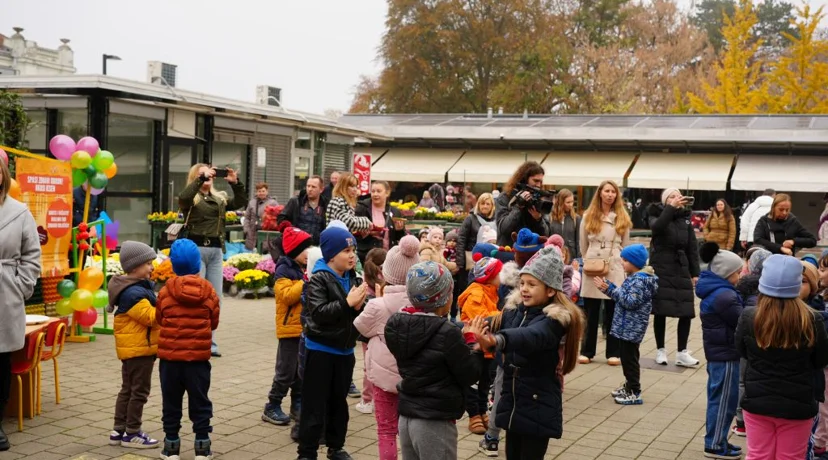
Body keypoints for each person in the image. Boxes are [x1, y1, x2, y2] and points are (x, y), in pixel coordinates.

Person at [471, 246, 585, 460]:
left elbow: (529, 336)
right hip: (514, 405)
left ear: (550, 290)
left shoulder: (553, 321)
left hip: (537, 406)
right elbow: (491, 322)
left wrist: (497, 340)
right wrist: (465, 328)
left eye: (532, 284)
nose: (524, 289)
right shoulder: (515, 311)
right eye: (522, 283)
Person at [384, 261, 482, 460]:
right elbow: (470, 373)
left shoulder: (397, 324)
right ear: (444, 298)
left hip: (407, 416)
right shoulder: (447, 332)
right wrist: (472, 342)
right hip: (434, 420)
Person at [736, 254, 828, 460]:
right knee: (791, 457)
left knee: (758, 455)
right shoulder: (813, 319)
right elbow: (821, 360)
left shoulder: (749, 316)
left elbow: (741, 351)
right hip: (798, 404)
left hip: (757, 401)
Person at [298, 226, 366, 460]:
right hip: (321, 351)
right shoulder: (319, 279)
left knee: (339, 403)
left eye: (353, 250)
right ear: (331, 254)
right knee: (314, 405)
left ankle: (336, 447)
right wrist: (348, 304)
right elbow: (318, 313)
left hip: (345, 351)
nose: (352, 255)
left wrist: (360, 308)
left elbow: (355, 315)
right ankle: (306, 451)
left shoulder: (353, 278)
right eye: (346, 250)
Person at [353, 235, 420, 460]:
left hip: (382, 379)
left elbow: (360, 327)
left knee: (386, 430)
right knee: (409, 428)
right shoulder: (421, 306)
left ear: (386, 273)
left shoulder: (377, 305)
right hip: (413, 377)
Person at [156, 239, 221, 460]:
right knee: (201, 401)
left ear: (173, 265)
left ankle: (171, 446)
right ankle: (202, 447)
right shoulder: (209, 290)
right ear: (197, 264)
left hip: (170, 360)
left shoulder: (165, 291)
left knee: (171, 402)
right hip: (198, 360)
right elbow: (214, 322)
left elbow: (159, 319)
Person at [179, 163, 246, 358]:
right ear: (195, 177)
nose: (208, 176)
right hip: (196, 249)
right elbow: (183, 198)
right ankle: (191, 340)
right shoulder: (192, 198)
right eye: (202, 174)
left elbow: (240, 201)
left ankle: (209, 342)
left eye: (209, 173)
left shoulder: (219, 198)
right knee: (195, 296)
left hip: (216, 251)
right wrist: (200, 178)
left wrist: (235, 183)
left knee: (215, 298)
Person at [0, 158, 41, 452]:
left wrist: (20, 286)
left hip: (4, 294)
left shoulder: (18, 212)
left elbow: (31, 256)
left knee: (0, 363)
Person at [107, 241, 161, 449]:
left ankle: (118, 430)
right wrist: (166, 305)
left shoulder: (132, 288)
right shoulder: (134, 293)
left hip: (133, 350)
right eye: (148, 263)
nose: (152, 268)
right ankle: (132, 432)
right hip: (139, 350)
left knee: (127, 390)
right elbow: (151, 318)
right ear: (134, 267)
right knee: (139, 391)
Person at [696, 242, 745, 460]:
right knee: (724, 401)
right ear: (727, 273)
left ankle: (719, 439)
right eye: (738, 273)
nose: (740, 276)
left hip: (720, 354)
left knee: (721, 398)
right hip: (725, 354)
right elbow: (742, 320)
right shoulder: (725, 296)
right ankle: (715, 444)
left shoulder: (718, 291)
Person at [593, 244, 657, 406]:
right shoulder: (635, 278)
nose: (622, 262)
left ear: (635, 263)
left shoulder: (639, 281)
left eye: (625, 260)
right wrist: (610, 288)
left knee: (630, 360)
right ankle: (629, 386)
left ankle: (634, 391)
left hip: (631, 328)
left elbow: (629, 301)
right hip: (626, 327)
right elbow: (625, 296)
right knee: (627, 358)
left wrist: (610, 290)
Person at [262, 227, 313, 426]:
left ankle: (297, 404)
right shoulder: (284, 269)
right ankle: (272, 405)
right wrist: (305, 281)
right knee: (285, 371)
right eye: (304, 249)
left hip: (304, 328)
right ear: (293, 251)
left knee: (301, 371)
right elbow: (287, 296)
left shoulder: (303, 268)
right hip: (289, 329)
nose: (309, 252)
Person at [578, 180, 631, 366]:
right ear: (600, 193)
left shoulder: (622, 217)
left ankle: (613, 352)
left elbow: (626, 243)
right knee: (591, 311)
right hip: (593, 262)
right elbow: (582, 244)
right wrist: (589, 260)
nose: (610, 195)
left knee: (613, 310)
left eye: (613, 192)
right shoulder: (588, 215)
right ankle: (586, 351)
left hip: (614, 262)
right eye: (607, 191)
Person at [648, 188, 701, 367]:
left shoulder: (685, 219)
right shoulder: (656, 213)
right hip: (662, 266)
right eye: (671, 196)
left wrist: (695, 273)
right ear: (665, 200)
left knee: (686, 310)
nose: (676, 199)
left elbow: (692, 247)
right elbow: (657, 228)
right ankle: (660, 350)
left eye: (678, 196)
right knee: (661, 309)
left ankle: (682, 352)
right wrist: (670, 208)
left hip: (681, 267)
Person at [459, 257, 503, 435]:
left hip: (487, 345)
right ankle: (473, 414)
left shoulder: (491, 291)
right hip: (475, 345)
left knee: (485, 380)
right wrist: (502, 316)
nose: (502, 276)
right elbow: (481, 318)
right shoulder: (476, 294)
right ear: (490, 276)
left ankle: (483, 409)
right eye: (499, 273)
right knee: (473, 382)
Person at [732, 247, 771, 436]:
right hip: (766, 343)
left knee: (742, 381)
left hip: (747, 343)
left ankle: (741, 422)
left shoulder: (743, 287)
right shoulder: (772, 290)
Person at [354, 248, 387, 415]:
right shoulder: (386, 281)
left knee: (368, 366)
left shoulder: (363, 283)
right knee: (383, 364)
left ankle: (367, 400)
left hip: (367, 332)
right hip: (383, 331)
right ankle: (380, 398)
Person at [495, 161, 551, 247]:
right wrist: (518, 206)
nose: (538, 185)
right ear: (524, 179)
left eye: (540, 181)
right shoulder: (505, 197)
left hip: (532, 253)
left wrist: (538, 219)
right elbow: (503, 229)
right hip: (509, 251)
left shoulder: (539, 200)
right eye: (535, 181)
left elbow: (546, 234)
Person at [354, 180, 406, 262]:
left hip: (389, 257)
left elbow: (400, 237)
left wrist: (399, 230)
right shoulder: (361, 208)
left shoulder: (395, 212)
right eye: (373, 191)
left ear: (387, 193)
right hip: (367, 256)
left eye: (379, 191)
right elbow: (353, 231)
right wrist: (367, 233)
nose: (375, 194)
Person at [457, 193, 497, 282]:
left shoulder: (496, 220)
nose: (485, 206)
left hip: (491, 259)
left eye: (488, 204)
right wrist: (460, 262)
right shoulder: (470, 219)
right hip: (472, 259)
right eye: (482, 204)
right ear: (478, 205)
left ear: (492, 206)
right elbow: (461, 239)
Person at [279, 175, 328, 246]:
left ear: (321, 189)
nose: (310, 189)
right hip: (297, 245)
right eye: (308, 186)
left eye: (313, 187)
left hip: (318, 247)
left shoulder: (326, 204)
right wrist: (290, 230)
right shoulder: (295, 201)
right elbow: (281, 219)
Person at [326, 172, 376, 237]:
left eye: (356, 186)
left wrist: (360, 229)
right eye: (352, 186)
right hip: (336, 241)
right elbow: (348, 222)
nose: (355, 189)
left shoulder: (344, 201)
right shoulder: (338, 200)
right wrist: (366, 222)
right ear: (343, 186)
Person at [244, 182, 279, 250]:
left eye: (263, 191)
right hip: (252, 233)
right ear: (256, 192)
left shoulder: (273, 203)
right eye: (259, 191)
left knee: (264, 253)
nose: (261, 193)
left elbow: (277, 218)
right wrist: (246, 230)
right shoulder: (252, 202)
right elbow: (247, 217)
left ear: (267, 191)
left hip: (266, 233)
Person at [549, 188, 581, 260]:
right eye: (568, 202)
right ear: (561, 202)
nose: (571, 205)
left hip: (571, 257)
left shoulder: (576, 218)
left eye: (572, 202)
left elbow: (578, 242)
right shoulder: (551, 217)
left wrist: (579, 259)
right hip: (554, 256)